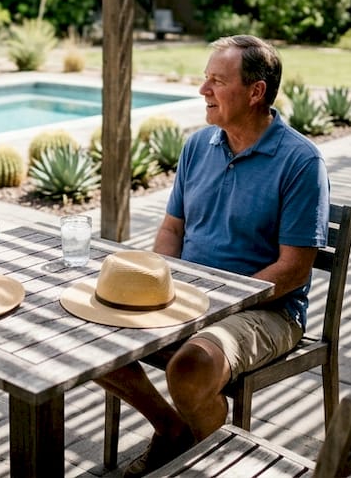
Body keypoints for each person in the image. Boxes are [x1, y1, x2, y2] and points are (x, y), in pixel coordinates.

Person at [95, 34, 331, 476]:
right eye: (205, 79)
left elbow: (294, 270)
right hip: (190, 297)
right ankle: (171, 430)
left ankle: (215, 464)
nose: (203, 90)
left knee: (192, 366)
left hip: (268, 309)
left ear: (256, 92)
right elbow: (171, 229)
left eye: (216, 81)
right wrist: (158, 282)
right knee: (89, 334)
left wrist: (218, 303)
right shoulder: (197, 146)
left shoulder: (301, 161)